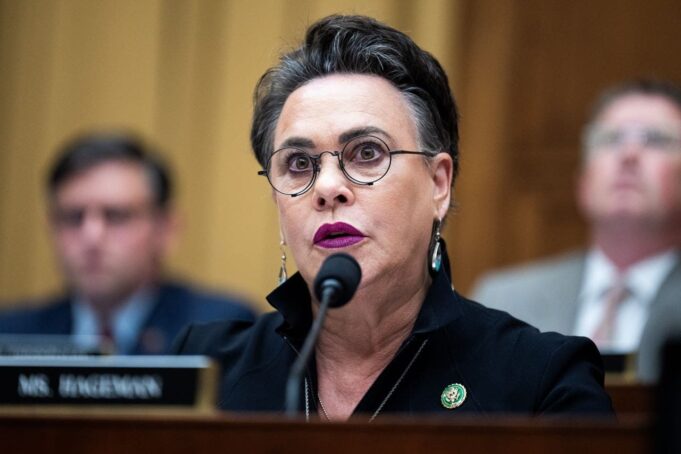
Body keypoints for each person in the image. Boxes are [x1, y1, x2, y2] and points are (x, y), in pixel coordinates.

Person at [173, 14, 612, 418]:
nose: (327, 188)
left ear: (438, 184)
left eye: (367, 153)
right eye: (299, 163)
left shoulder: (542, 380)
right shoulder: (204, 368)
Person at [472, 79, 681, 382]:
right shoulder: (504, 301)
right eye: (611, 138)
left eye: (655, 140)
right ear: (582, 182)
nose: (629, 154)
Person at [0, 132, 256, 354]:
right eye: (74, 217)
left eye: (116, 216)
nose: (92, 237)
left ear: (165, 230)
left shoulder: (220, 331)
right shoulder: (10, 334)